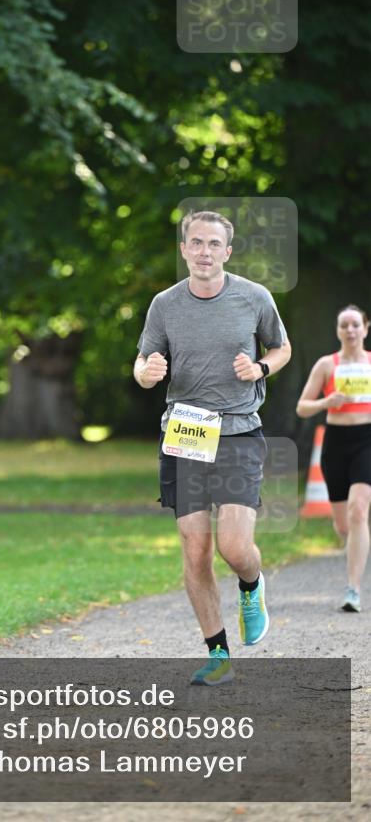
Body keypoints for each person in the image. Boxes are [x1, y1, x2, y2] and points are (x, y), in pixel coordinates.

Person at [134, 210, 291, 685]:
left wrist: (260, 369)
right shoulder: (164, 304)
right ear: (184, 249)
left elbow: (281, 348)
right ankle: (218, 653)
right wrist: (146, 373)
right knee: (195, 547)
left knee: (235, 546)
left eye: (214, 244)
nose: (205, 252)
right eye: (196, 242)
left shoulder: (254, 297)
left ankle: (251, 584)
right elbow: (142, 361)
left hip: (239, 431)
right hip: (185, 431)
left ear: (228, 251)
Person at [296, 305, 371, 612]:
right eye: (344, 325)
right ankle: (354, 545)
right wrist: (327, 401)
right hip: (336, 444)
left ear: (366, 328)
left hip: (367, 440)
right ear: (338, 330)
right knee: (343, 525)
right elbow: (302, 407)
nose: (350, 330)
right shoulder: (327, 365)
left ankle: (353, 589)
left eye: (355, 324)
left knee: (358, 510)